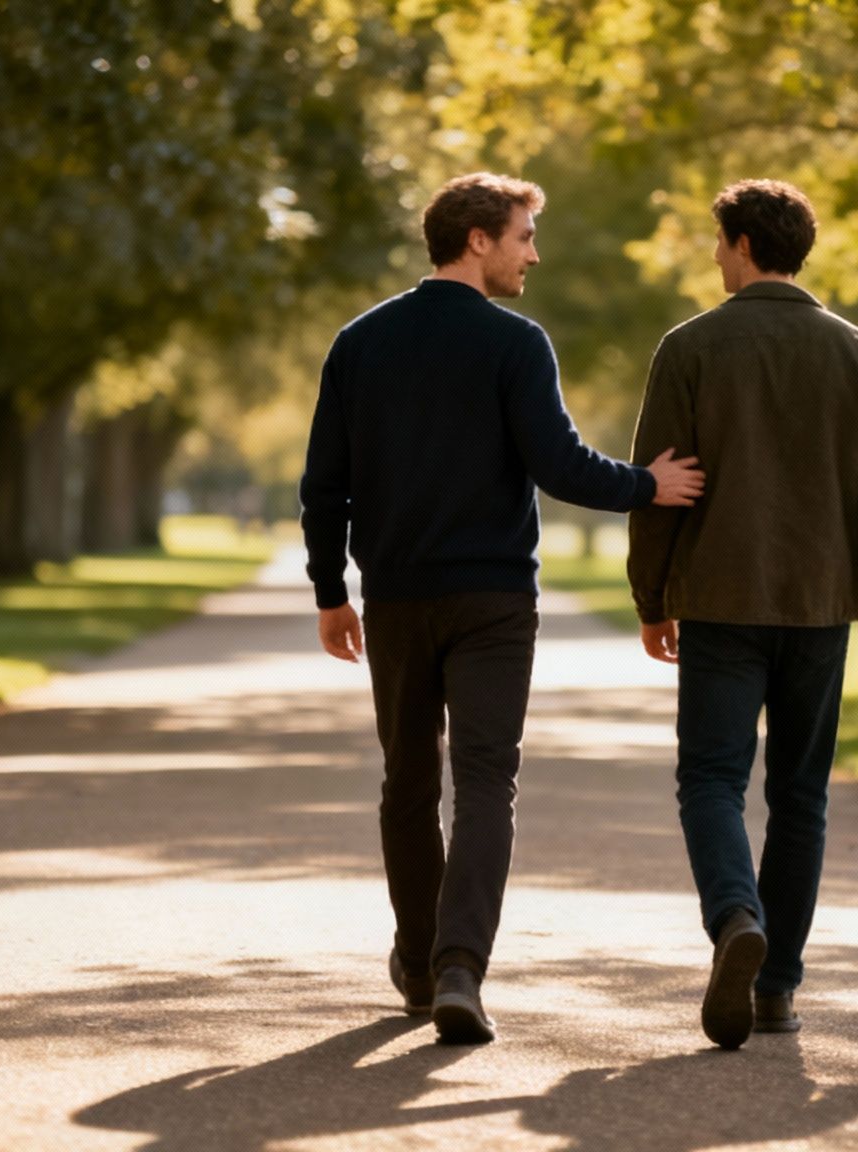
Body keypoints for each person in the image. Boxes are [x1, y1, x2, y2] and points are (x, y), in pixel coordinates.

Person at [300, 172, 706, 1045]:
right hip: (493, 601)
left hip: (398, 599)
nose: (534, 254)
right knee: (486, 782)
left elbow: (324, 485)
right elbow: (559, 465)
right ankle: (459, 969)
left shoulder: (360, 342)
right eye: (524, 236)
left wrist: (331, 591)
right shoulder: (515, 342)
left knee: (409, 782)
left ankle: (420, 965)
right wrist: (648, 485)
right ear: (477, 239)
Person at [627, 179, 858, 1050]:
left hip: (720, 599)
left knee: (711, 780)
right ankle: (777, 987)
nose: (716, 257)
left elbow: (658, 488)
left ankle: (735, 919)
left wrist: (652, 598)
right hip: (820, 604)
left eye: (721, 242)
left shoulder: (689, 347)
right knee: (800, 795)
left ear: (746, 244)